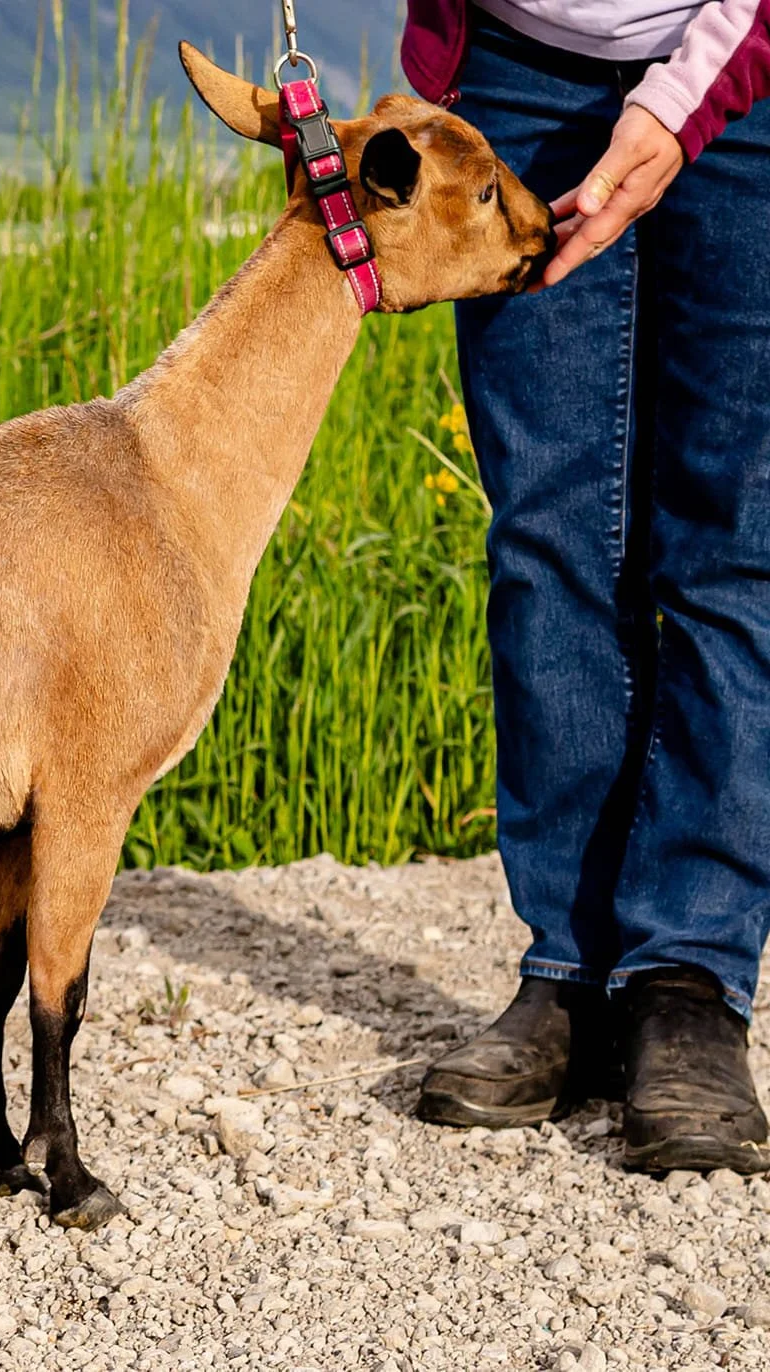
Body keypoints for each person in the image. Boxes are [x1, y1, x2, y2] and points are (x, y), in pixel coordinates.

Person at [400, 1, 770, 1172]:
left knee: (730, 540)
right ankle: (565, 966)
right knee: (543, 538)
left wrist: (676, 102)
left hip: (746, 85)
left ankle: (686, 980)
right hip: (510, 76)